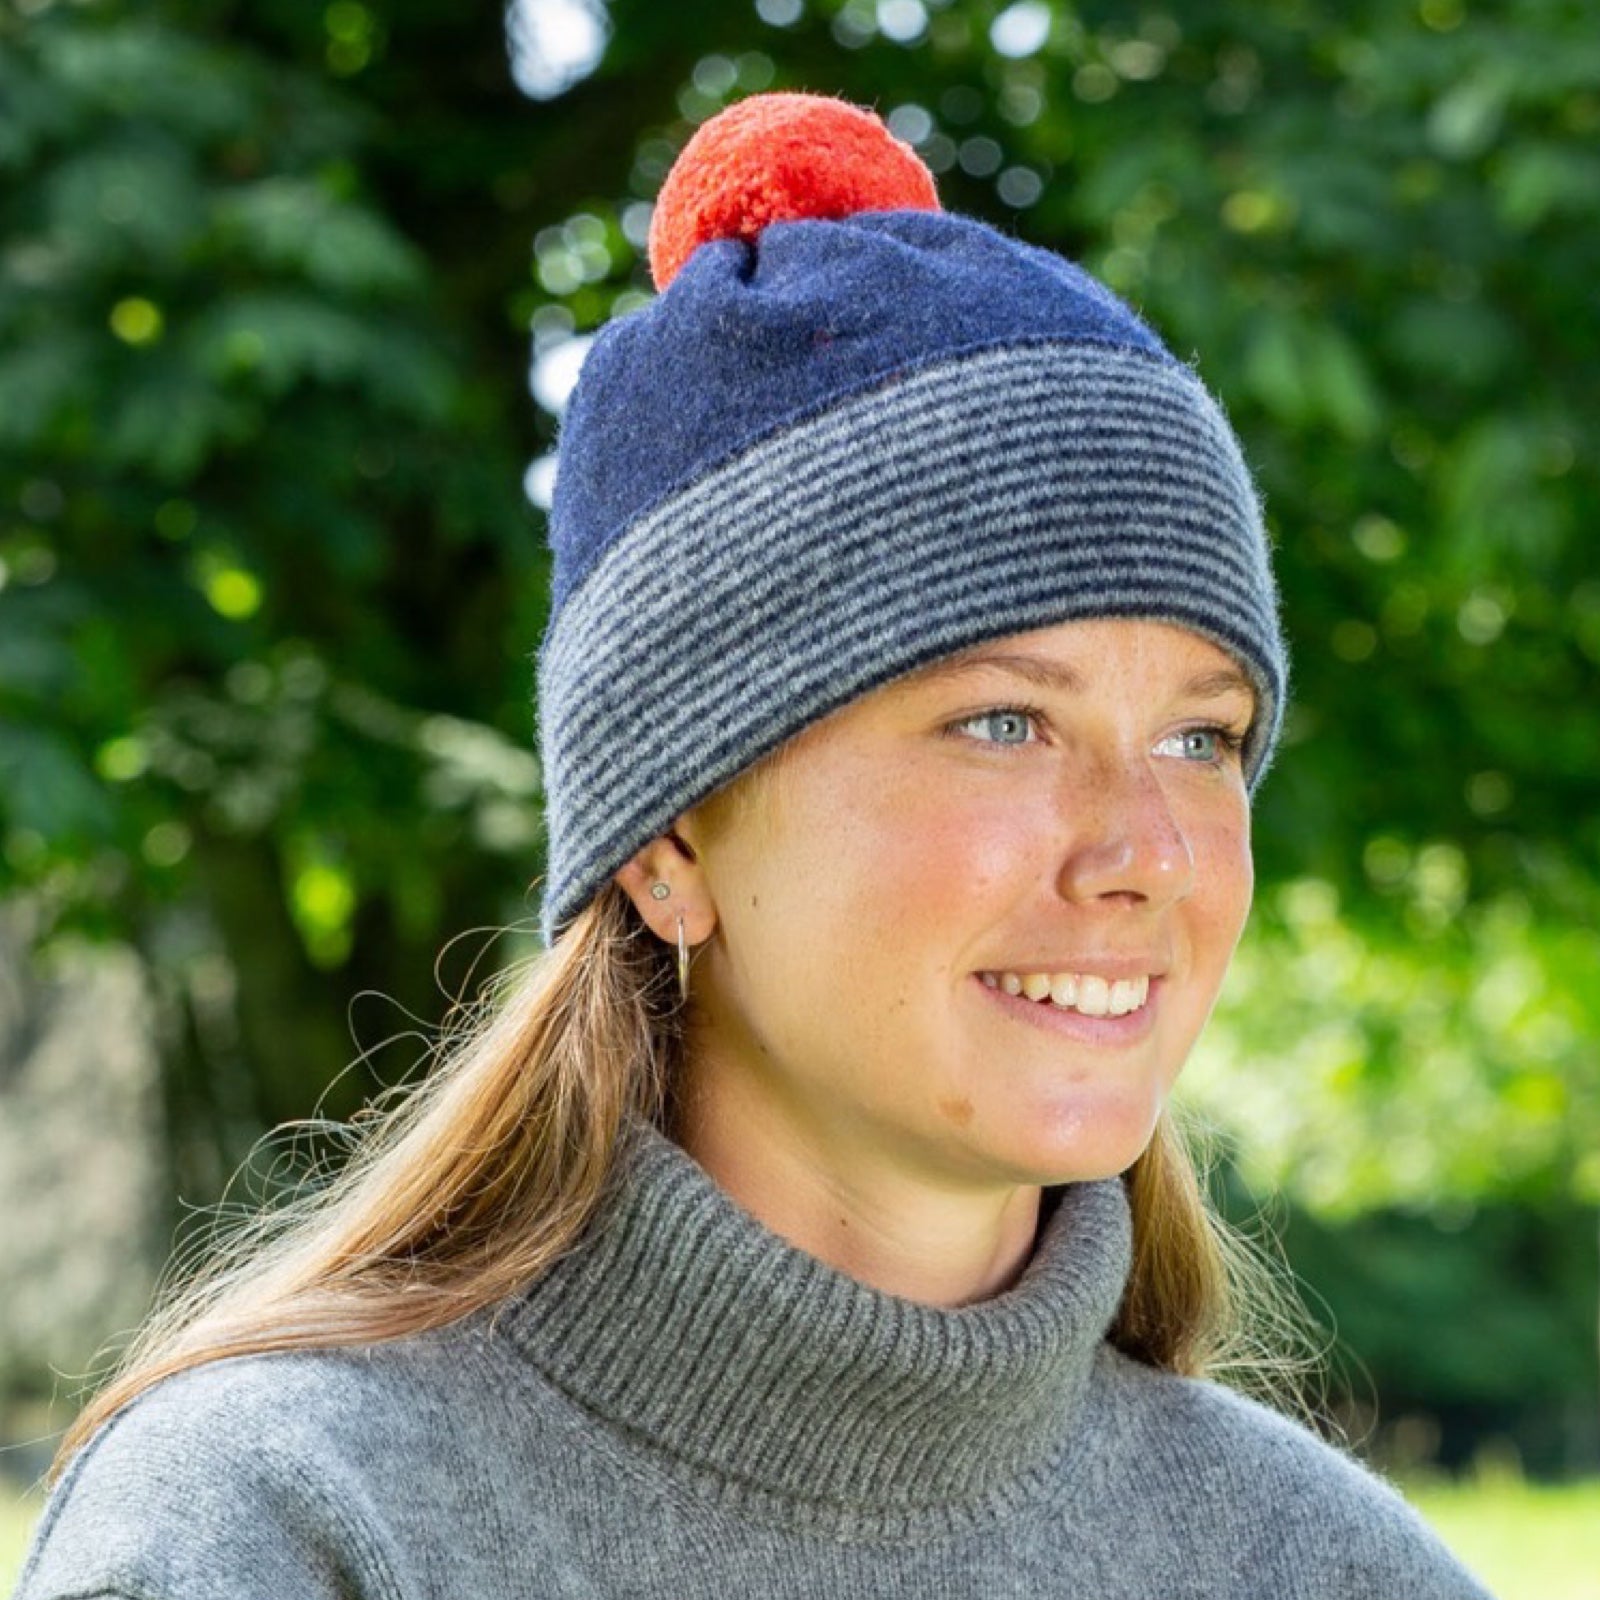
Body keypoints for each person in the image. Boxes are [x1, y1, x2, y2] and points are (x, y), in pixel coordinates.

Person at [14, 92, 1492, 1599]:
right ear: (668, 843)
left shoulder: (1336, 1570)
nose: (1150, 855)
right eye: (1003, 723)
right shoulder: (276, 1530)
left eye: (1202, 738)